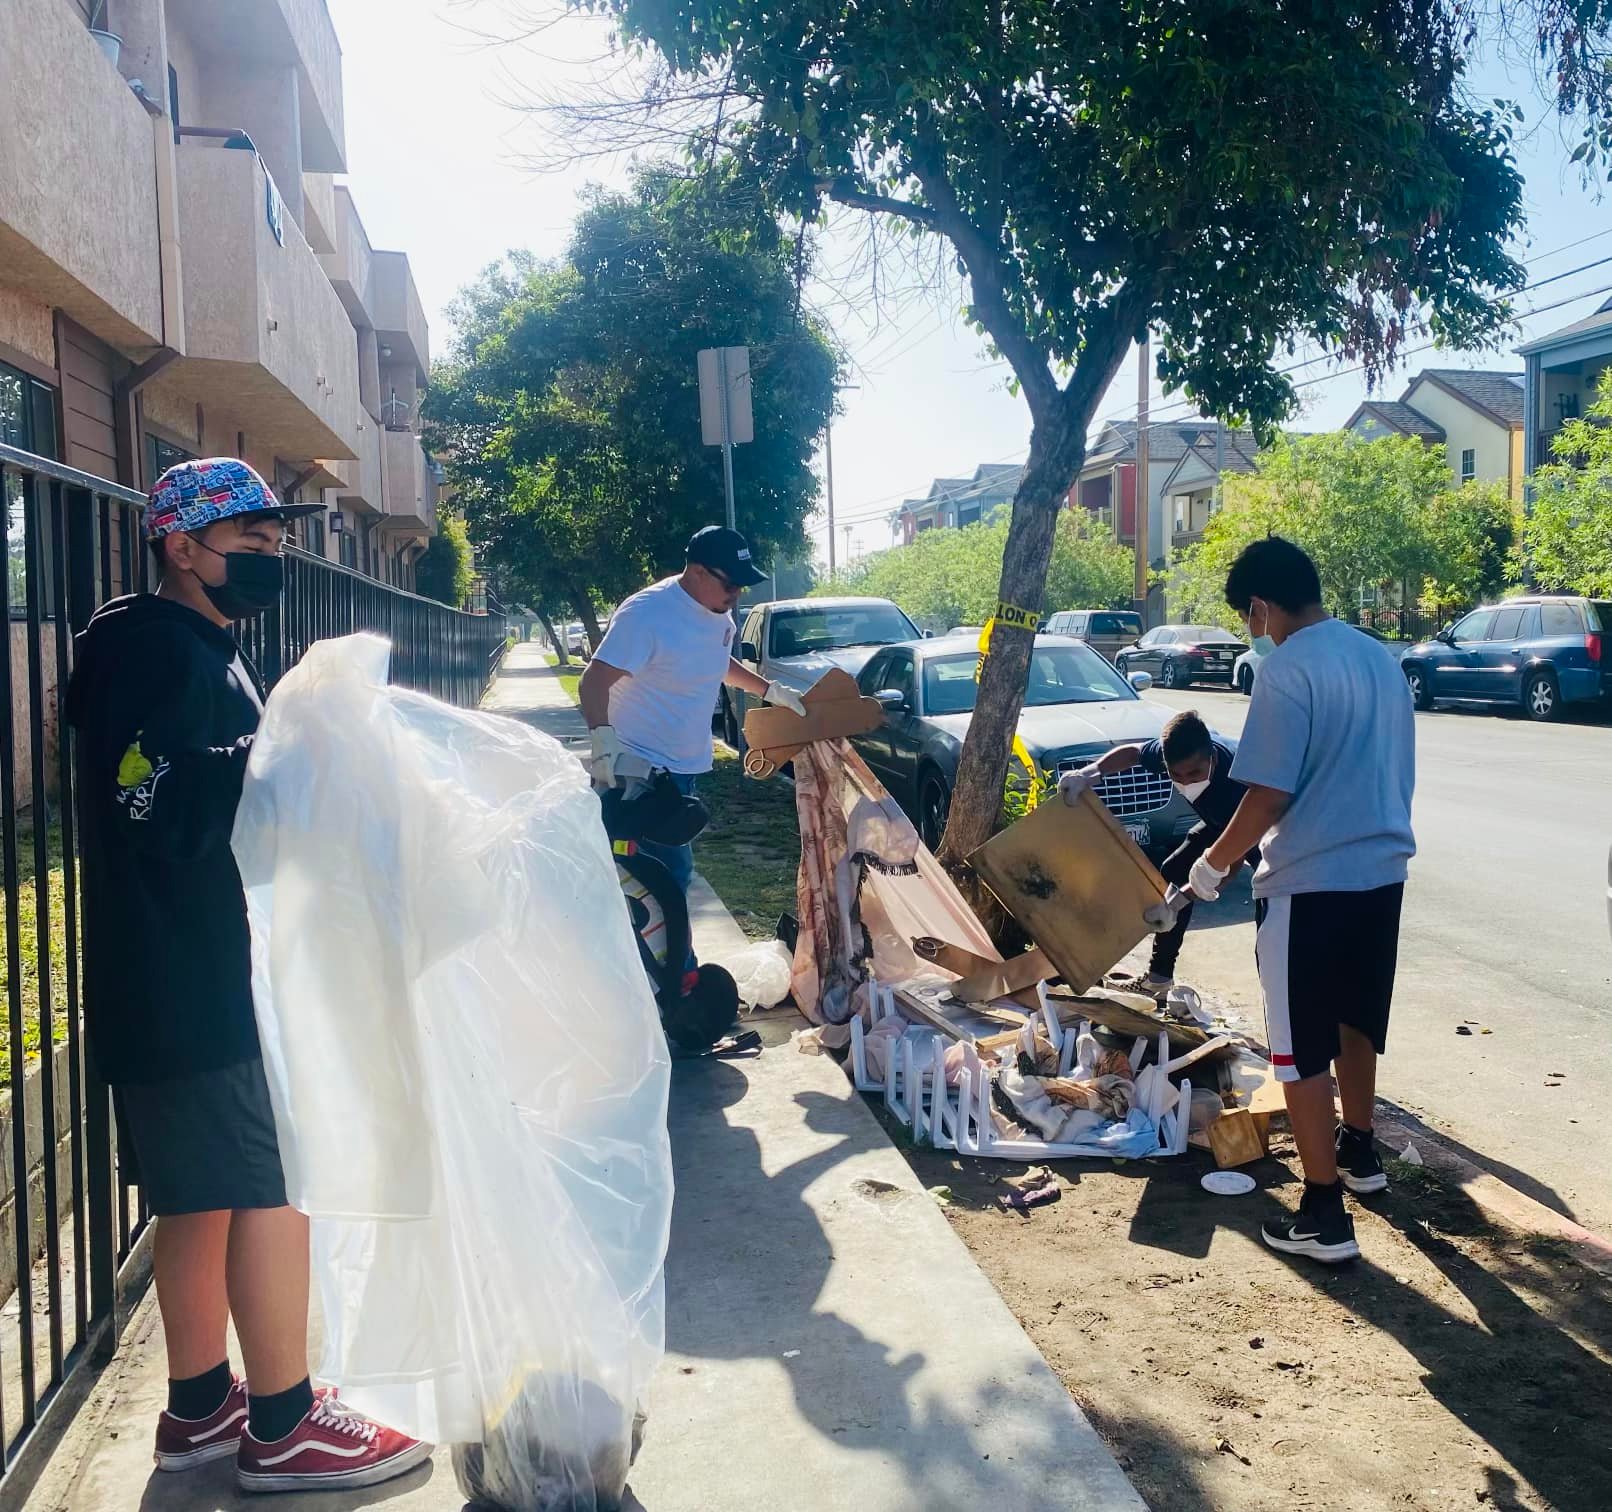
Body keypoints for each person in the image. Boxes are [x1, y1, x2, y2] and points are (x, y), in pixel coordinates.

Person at [66, 459, 431, 1492]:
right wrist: (283, 753)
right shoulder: (157, 653)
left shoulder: (176, 647)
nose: (270, 560)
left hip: (165, 978)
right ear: (182, 548)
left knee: (200, 1200)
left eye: (276, 543)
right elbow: (156, 795)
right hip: (197, 981)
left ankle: (198, 1408)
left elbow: (170, 782)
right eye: (250, 543)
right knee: (274, 1186)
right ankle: (282, 1423)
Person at [1185, 536, 1416, 1265]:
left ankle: (1323, 1215)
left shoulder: (1286, 669)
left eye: (1250, 618)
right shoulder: (1380, 658)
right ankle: (1361, 1151)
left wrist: (1211, 865)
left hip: (1308, 884)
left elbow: (1268, 791)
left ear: (1260, 605)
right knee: (1356, 1022)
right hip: (1382, 873)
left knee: (1298, 1051)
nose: (1255, 631)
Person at [580, 526, 807, 896]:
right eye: (730, 585)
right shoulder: (648, 614)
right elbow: (593, 681)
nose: (736, 596)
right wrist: (604, 743)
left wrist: (771, 691)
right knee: (664, 879)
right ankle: (672, 956)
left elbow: (718, 660)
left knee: (658, 881)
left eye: (741, 588)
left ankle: (656, 953)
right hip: (640, 772)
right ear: (698, 572)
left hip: (684, 770)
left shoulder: (718, 613)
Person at [1058, 709, 1258, 991]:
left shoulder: (1235, 780)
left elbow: (1229, 863)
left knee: (1271, 910)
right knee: (1173, 872)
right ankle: (1159, 979)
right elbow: (1133, 753)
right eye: (1176, 774)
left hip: (1264, 831)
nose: (1186, 781)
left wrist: (1180, 900)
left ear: (1211, 757)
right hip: (1219, 821)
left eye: (1194, 773)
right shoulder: (1173, 753)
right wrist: (1091, 773)